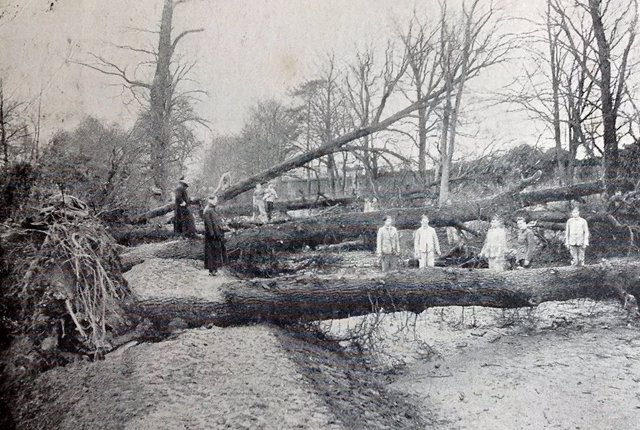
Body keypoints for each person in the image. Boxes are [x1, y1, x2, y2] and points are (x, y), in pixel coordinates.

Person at [203, 195, 228, 275]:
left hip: (216, 234)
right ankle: (212, 270)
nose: (216, 201)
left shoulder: (213, 210)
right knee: (211, 253)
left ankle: (215, 269)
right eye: (215, 200)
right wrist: (213, 234)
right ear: (210, 200)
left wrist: (222, 229)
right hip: (212, 235)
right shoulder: (208, 210)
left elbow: (216, 222)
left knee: (215, 252)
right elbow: (209, 224)